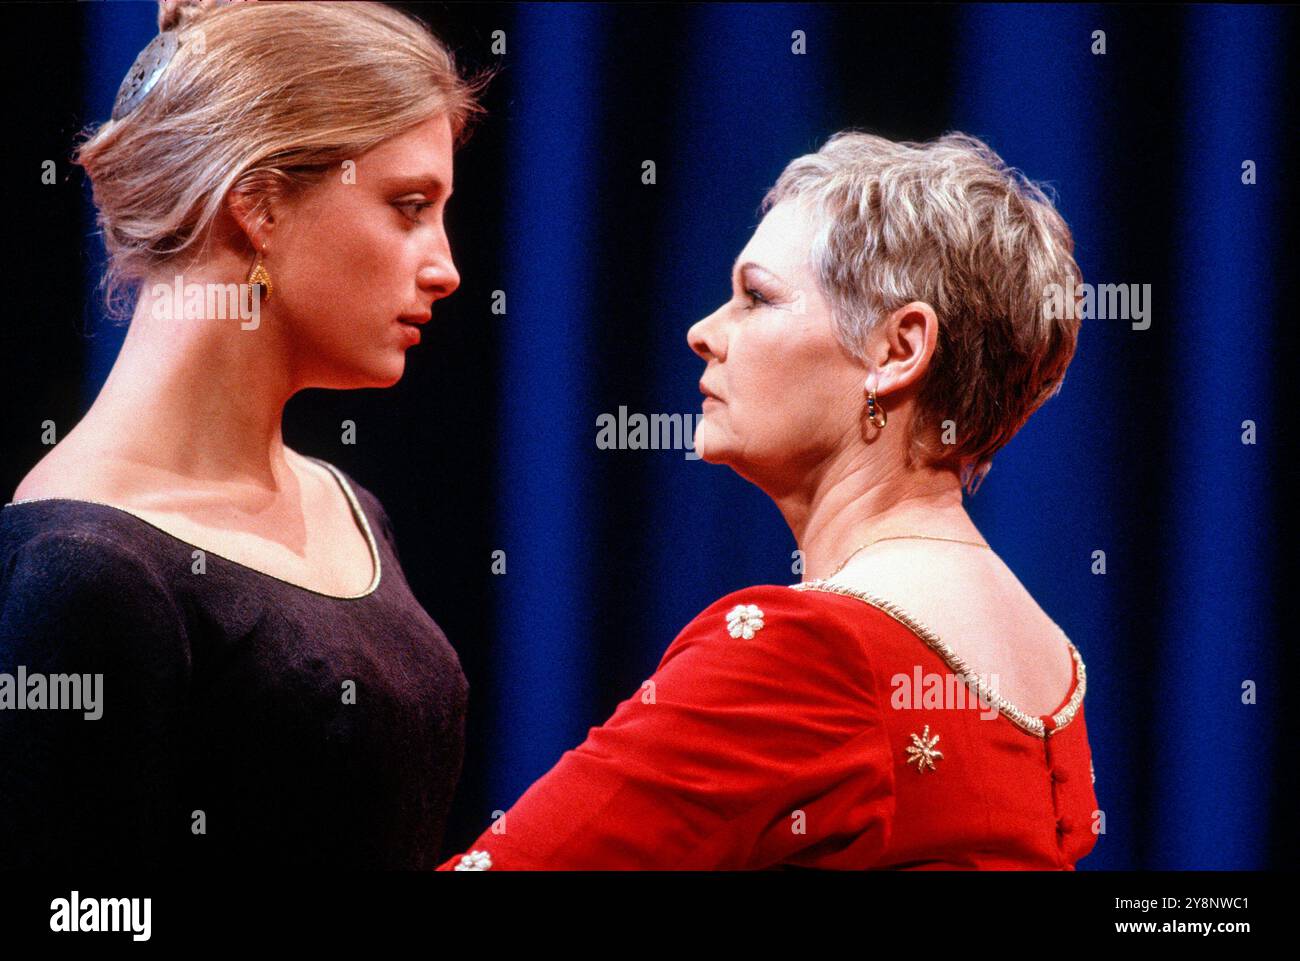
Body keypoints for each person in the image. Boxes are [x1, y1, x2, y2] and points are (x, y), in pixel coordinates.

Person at [440, 131, 1097, 871]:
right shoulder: (1054, 666)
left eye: (755, 297)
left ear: (898, 349)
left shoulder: (807, 652)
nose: (703, 333)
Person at [0, 0, 487, 868]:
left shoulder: (352, 508)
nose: (446, 267)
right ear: (257, 204)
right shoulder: (83, 566)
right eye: (408, 206)